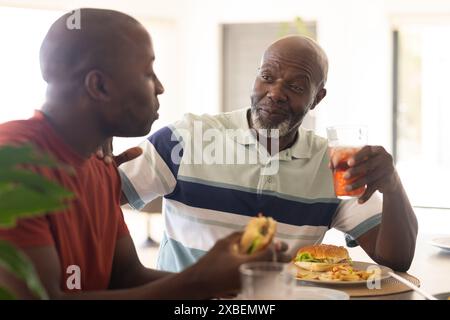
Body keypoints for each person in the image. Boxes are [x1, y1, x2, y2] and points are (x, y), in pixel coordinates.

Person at [0, 8, 286, 299]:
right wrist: (202, 280)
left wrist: (225, 283)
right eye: (148, 73)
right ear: (99, 85)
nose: (160, 87)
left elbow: (126, 277)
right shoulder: (12, 162)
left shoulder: (100, 165)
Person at [116, 35, 418, 273]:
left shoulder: (333, 164)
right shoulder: (187, 136)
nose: (275, 92)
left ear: (317, 98)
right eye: (267, 76)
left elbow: (395, 259)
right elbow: (96, 196)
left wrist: (392, 184)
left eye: (296, 85)